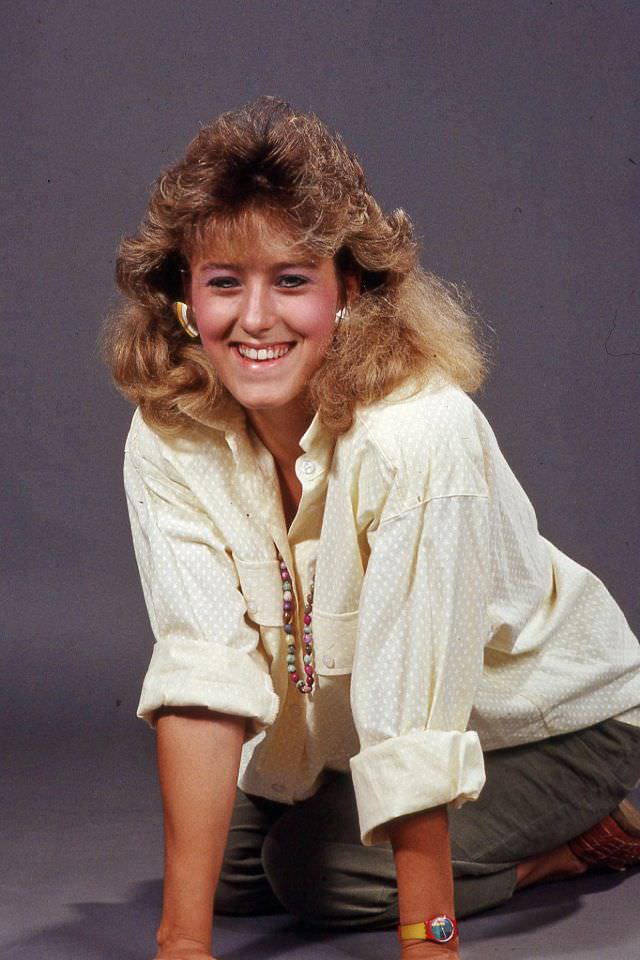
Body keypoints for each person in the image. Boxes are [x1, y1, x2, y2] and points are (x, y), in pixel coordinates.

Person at [103, 97, 640, 960]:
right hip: (349, 733)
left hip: (549, 726)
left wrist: (427, 944)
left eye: (291, 280)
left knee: (319, 876)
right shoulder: (171, 432)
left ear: (348, 288)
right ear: (182, 299)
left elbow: (413, 705)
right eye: (223, 281)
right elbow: (203, 666)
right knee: (232, 873)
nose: (254, 319)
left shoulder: (416, 432)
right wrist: (181, 946)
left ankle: (571, 847)